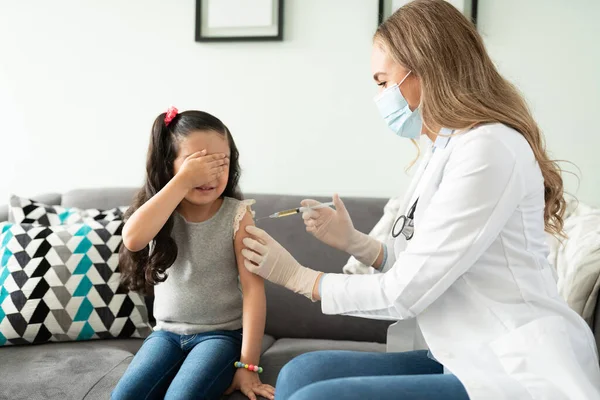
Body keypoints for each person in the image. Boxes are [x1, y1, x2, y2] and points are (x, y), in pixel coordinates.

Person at [240, 1, 600, 399]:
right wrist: (356, 243)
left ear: (425, 70)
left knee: (313, 396)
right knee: (300, 373)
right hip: (460, 348)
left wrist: (300, 278)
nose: (379, 96)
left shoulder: (489, 150)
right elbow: (424, 264)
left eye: (382, 81)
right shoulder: (443, 146)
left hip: (509, 364)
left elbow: (407, 291)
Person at [111, 108, 275, 400]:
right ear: (170, 166)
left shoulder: (237, 216)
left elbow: (253, 292)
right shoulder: (161, 211)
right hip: (165, 334)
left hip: (220, 336)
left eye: (219, 162)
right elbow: (133, 239)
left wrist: (249, 365)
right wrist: (183, 180)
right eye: (197, 163)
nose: (208, 174)